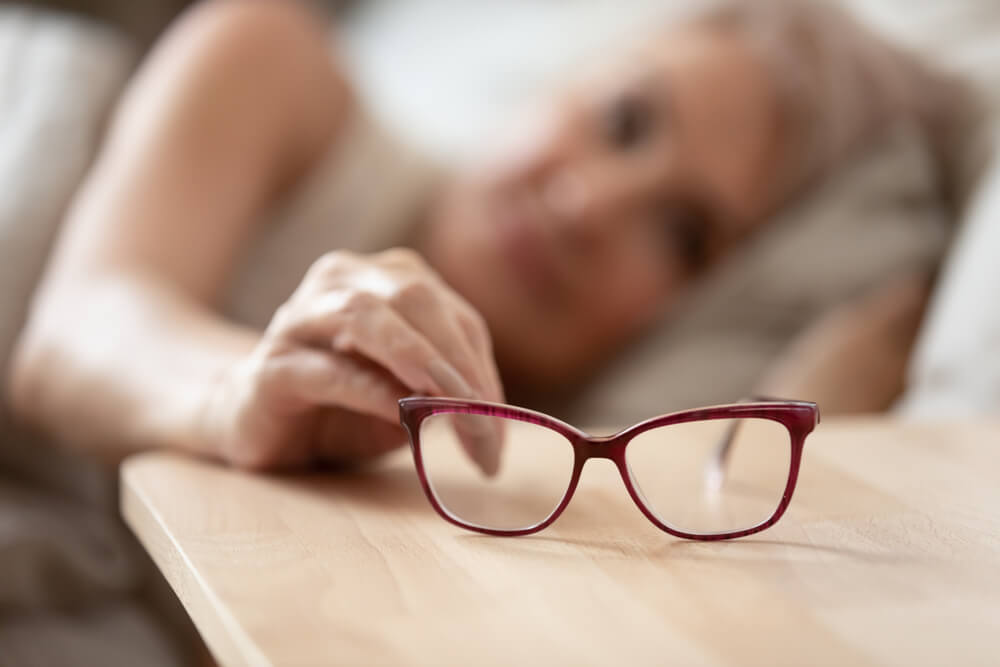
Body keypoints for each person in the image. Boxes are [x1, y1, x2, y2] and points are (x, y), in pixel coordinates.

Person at [1, 0, 971, 662]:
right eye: (624, 120)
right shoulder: (276, 63)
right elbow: (77, 333)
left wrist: (826, 393)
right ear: (564, 82)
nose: (587, 202)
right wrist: (244, 390)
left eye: (680, 235)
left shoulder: (537, 490)